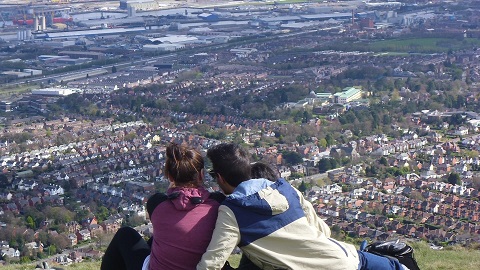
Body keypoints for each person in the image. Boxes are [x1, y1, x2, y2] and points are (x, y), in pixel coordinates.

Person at [198, 143, 408, 270]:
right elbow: (321, 231)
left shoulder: (232, 211)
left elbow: (213, 261)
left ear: (220, 178)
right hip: (346, 259)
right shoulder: (285, 189)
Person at [101, 143, 223, 270]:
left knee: (125, 234)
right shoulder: (217, 204)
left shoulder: (156, 204)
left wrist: (175, 189)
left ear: (170, 176)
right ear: (201, 175)